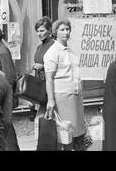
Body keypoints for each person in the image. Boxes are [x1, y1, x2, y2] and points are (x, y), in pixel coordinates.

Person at [44, 19, 86, 151]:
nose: (66, 32)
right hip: (62, 96)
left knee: (76, 132)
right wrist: (51, 100)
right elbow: (49, 78)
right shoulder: (53, 52)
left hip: (75, 95)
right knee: (65, 132)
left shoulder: (69, 50)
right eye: (62, 29)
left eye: (67, 29)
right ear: (55, 32)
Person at [29, 16, 55, 121]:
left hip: (51, 87)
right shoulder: (39, 47)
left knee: (48, 119)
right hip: (41, 87)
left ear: (49, 31)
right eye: (37, 31)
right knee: (41, 120)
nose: (39, 33)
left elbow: (59, 66)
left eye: (42, 30)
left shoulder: (54, 45)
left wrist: (43, 67)